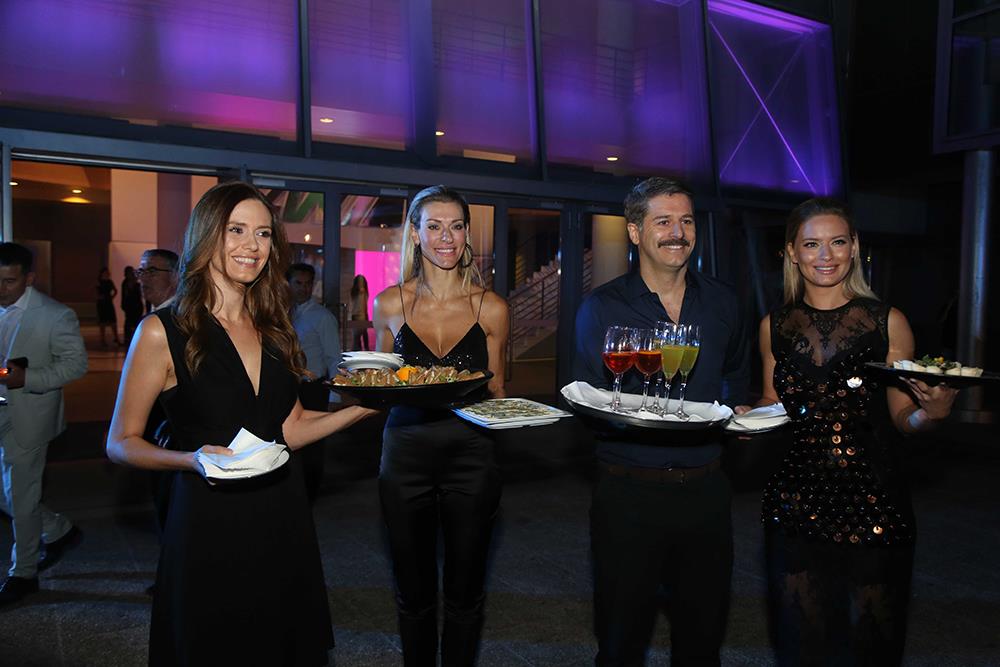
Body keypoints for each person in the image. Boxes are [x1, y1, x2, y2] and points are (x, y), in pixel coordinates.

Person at [105, 181, 375, 665]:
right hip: (208, 517)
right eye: (236, 230)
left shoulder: (276, 328)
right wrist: (191, 459)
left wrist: (366, 408)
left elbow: (289, 428)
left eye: (263, 234)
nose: (252, 245)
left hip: (282, 511)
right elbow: (121, 442)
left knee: (283, 645)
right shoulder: (162, 331)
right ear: (207, 234)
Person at [754, 198, 957, 665]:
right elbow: (772, 403)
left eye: (838, 242)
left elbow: (905, 418)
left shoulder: (888, 322)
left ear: (855, 248)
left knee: (872, 649)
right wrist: (747, 417)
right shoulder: (774, 326)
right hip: (795, 504)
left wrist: (933, 414)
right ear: (792, 252)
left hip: (874, 505)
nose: (825, 255)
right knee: (800, 647)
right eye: (812, 244)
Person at [573, 177, 750, 666]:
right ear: (635, 232)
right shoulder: (602, 307)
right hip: (628, 493)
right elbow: (587, 396)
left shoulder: (724, 302)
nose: (678, 232)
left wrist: (737, 410)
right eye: (664, 221)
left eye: (686, 221)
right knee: (620, 640)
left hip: (706, 492)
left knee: (702, 639)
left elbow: (736, 376)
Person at [372, 185, 509, 666]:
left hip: (472, 456)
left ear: (467, 233)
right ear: (415, 234)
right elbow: (378, 382)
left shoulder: (492, 308)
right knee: (412, 589)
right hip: (405, 454)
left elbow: (497, 390)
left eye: (455, 226)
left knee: (465, 590)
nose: (446, 237)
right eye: (434, 226)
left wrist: (516, 417)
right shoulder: (389, 304)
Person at [0, 242, 88, 608]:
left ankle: (23, 573)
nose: (1, 288)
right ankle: (57, 530)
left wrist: (29, 378)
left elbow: (76, 364)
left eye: (9, 281)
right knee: (10, 495)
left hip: (28, 416)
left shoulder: (55, 315)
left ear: (29, 278)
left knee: (20, 495)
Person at [287, 262, 342, 504]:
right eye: (298, 283)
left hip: (313, 389)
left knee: (312, 448)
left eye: (308, 283)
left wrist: (335, 397)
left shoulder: (322, 317)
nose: (304, 288)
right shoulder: (282, 314)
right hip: (288, 389)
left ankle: (309, 497)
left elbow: (334, 357)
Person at [137, 248, 180, 313]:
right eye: (141, 272)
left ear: (174, 276)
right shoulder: (152, 313)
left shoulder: (181, 315)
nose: (143, 278)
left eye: (152, 271)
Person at [96, 266, 121, 347]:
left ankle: (116, 338)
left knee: (112, 321)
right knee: (103, 322)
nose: (107, 274)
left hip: (108, 302)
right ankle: (102, 340)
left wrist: (111, 297)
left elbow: (115, 290)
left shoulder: (109, 281)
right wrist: (99, 297)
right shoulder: (99, 282)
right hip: (102, 303)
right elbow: (95, 291)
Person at [121, 266, 144, 348]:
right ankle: (128, 339)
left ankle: (135, 340)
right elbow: (124, 295)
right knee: (128, 322)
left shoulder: (136, 283)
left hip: (137, 306)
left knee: (136, 322)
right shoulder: (125, 283)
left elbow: (139, 295)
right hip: (129, 306)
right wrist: (123, 305)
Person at [350, 274, 370, 350]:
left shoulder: (357, 292)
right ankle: (361, 350)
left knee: (359, 336)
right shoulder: (360, 292)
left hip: (360, 315)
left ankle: (360, 350)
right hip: (358, 315)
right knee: (359, 336)